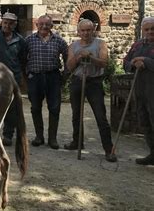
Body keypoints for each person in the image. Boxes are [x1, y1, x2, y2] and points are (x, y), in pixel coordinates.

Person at [64, 19, 117, 162]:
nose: (86, 33)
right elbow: (69, 66)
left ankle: (108, 149)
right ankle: (77, 142)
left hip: (94, 83)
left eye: (88, 30)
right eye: (83, 30)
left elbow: (104, 63)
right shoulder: (73, 46)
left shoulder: (100, 44)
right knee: (76, 115)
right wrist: (79, 56)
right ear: (78, 31)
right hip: (77, 81)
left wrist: (91, 57)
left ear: (93, 30)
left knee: (100, 116)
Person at [26, 15, 68, 149]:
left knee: (54, 108)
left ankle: (52, 139)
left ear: (52, 26)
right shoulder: (28, 40)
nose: (44, 26)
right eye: (41, 24)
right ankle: (39, 137)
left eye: (47, 24)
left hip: (53, 77)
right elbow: (22, 58)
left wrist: (64, 76)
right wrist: (26, 75)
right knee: (35, 107)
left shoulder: (59, 41)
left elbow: (68, 58)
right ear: (36, 25)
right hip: (35, 77)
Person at [0, 12, 27, 146]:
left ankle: (8, 135)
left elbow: (23, 60)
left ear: (14, 25)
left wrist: (21, 78)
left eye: (10, 23)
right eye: (5, 23)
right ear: (1, 23)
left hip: (12, 79)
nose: (7, 26)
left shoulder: (20, 41)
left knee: (11, 108)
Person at [123, 16, 154, 165]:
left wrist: (146, 62)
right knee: (145, 121)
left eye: (152, 29)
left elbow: (148, 63)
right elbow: (125, 62)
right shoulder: (137, 45)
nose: (150, 31)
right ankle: (152, 153)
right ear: (142, 30)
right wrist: (133, 64)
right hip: (140, 89)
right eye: (147, 29)